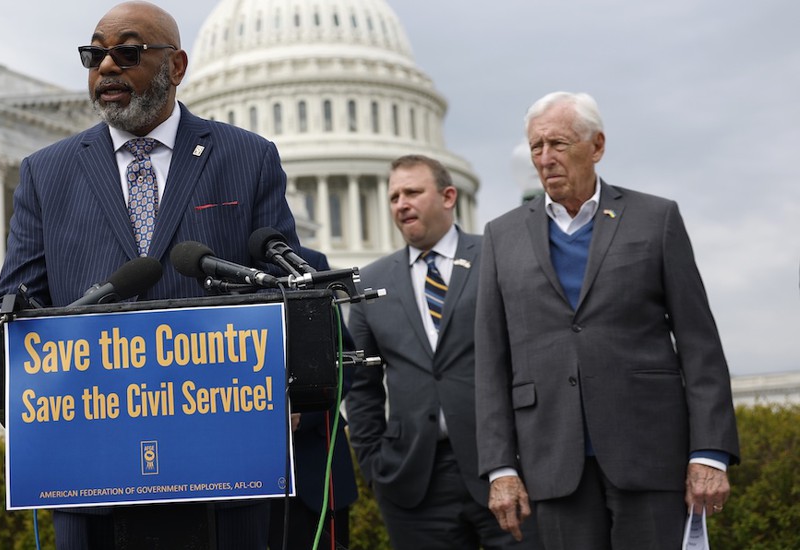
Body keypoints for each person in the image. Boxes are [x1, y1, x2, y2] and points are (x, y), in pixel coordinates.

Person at [0, 3, 300, 547]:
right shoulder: (48, 172)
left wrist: (291, 389)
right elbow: (18, 300)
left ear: (175, 66)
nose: (106, 66)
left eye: (127, 52)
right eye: (94, 54)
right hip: (92, 467)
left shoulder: (247, 158)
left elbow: (286, 293)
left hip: (223, 462)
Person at [475, 91, 740, 549]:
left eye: (558, 143)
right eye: (536, 147)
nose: (545, 158)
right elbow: (491, 362)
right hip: (553, 463)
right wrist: (501, 469)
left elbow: (700, 345)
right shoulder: (501, 237)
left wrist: (710, 453)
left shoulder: (655, 219)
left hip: (650, 454)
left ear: (596, 146)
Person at [345, 155, 536, 549]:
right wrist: (374, 464)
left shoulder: (498, 257)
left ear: (449, 196)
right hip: (413, 481)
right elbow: (361, 385)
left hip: (504, 469)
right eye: (394, 195)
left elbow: (532, 356)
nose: (401, 203)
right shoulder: (369, 282)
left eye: (413, 192)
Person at [268, 248, 357, 550]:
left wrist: (303, 414)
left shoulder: (308, 264)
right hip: (239, 485)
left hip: (313, 476)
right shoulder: (204, 267)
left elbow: (344, 360)